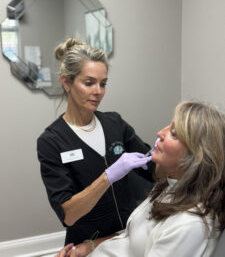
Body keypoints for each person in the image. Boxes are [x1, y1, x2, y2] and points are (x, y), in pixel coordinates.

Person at [56, 100, 225, 257]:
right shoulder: (169, 187)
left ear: (196, 156)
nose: (160, 133)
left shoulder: (189, 225)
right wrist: (90, 246)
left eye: (173, 133)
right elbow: (132, 239)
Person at [37, 38, 156, 246]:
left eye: (103, 84)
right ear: (67, 83)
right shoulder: (51, 141)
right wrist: (108, 177)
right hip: (87, 244)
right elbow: (69, 215)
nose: (98, 91)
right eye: (89, 82)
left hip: (127, 237)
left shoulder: (115, 123)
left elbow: (151, 168)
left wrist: (171, 152)